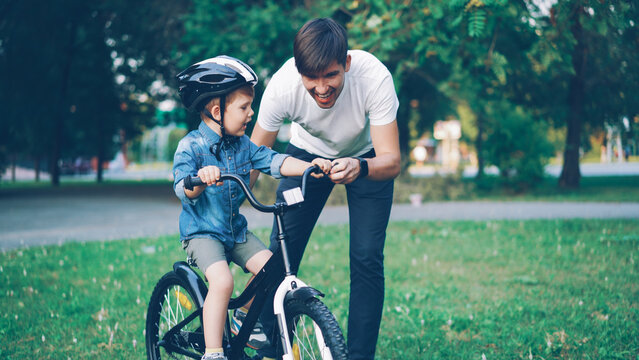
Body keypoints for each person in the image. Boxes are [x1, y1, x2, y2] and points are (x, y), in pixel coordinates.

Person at [250, 18, 401, 360]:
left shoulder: (374, 78)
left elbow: (392, 161)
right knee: (282, 251)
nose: (321, 88)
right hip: (307, 158)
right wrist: (226, 209)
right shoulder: (283, 86)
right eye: (311, 78)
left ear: (346, 63)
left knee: (366, 258)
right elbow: (254, 158)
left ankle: (359, 355)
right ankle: (270, 343)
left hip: (367, 160)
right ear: (298, 71)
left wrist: (360, 166)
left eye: (330, 75)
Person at [172, 55, 332, 360]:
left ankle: (243, 318)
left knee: (273, 269)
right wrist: (200, 179)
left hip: (235, 232)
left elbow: (275, 160)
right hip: (202, 233)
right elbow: (182, 187)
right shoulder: (191, 146)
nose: (251, 113)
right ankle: (213, 352)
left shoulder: (243, 145)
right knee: (222, 281)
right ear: (217, 111)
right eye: (244, 107)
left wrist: (312, 166)